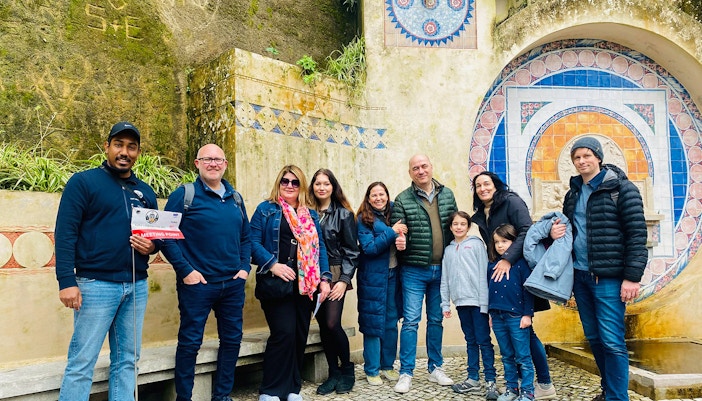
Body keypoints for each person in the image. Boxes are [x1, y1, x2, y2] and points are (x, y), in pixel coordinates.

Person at [54, 121, 158, 401]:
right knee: (82, 361)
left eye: (131, 147)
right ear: (107, 147)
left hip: (136, 286)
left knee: (127, 360)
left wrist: (151, 246)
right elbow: (65, 233)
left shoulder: (145, 192)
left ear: (137, 152)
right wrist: (66, 281)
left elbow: (155, 236)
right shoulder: (84, 182)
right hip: (94, 286)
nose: (125, 152)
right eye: (119, 145)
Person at [551, 137, 648, 401]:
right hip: (580, 277)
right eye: (577, 158)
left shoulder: (622, 190)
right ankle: (609, 391)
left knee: (612, 342)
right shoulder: (573, 194)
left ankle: (618, 397)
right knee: (594, 338)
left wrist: (631, 277)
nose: (582, 161)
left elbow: (637, 235)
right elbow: (570, 234)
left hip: (609, 279)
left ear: (598, 157)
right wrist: (554, 231)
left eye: (587, 156)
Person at [161, 144, 251, 401]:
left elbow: (245, 237)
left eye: (218, 159)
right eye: (207, 159)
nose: (213, 163)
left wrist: (244, 268)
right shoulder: (185, 195)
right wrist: (186, 271)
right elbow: (166, 237)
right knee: (190, 343)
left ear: (224, 164)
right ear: (197, 163)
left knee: (232, 340)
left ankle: (222, 396)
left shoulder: (235, 198)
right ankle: (184, 398)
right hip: (198, 286)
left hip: (232, 284)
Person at [471, 171, 557, 399]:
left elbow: (527, 230)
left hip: (519, 273)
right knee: (517, 340)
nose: (482, 188)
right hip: (501, 280)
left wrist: (508, 259)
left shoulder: (511, 201)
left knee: (527, 333)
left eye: (486, 183)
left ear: (496, 185)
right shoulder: (482, 213)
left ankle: (544, 384)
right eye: (478, 185)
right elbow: (492, 244)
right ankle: (518, 384)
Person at [250, 165, 332, 401]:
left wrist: (324, 279)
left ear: (301, 186)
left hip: (305, 286)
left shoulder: (310, 214)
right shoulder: (266, 210)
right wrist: (273, 264)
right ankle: (270, 390)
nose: (289, 185)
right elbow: (253, 242)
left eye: (295, 182)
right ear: (279, 183)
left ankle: (292, 389)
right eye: (285, 181)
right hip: (276, 284)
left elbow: (320, 249)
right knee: (283, 334)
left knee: (298, 335)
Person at [390, 154, 457, 393]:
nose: (421, 171)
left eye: (424, 166)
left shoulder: (447, 194)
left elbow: (456, 226)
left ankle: (435, 367)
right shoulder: (402, 199)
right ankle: (406, 372)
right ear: (410, 173)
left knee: (436, 320)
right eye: (415, 168)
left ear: (431, 167)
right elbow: (399, 229)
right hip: (414, 271)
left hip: (442, 271)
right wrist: (400, 239)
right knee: (410, 322)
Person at [308, 168, 361, 395]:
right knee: (323, 326)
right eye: (317, 183)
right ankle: (333, 372)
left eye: (326, 183)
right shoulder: (306, 212)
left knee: (332, 323)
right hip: (312, 274)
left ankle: (347, 369)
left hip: (336, 271)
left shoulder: (344, 214)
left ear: (333, 187)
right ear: (312, 187)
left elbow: (352, 250)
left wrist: (344, 280)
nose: (321, 187)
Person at [440, 211, 498, 400]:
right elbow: (445, 279)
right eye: (455, 224)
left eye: (462, 224)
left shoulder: (476, 245)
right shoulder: (448, 250)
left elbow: (483, 274)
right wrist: (445, 304)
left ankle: (491, 380)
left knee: (483, 340)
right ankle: (472, 378)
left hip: (477, 301)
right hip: (461, 302)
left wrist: (485, 304)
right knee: (470, 340)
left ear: (468, 226)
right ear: (450, 227)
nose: (458, 227)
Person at [356, 182, 407, 386]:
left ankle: (387, 366)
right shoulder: (363, 220)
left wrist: (403, 239)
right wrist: (392, 232)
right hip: (373, 278)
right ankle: (372, 369)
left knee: (391, 322)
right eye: (374, 195)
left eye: (382, 194)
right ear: (368, 198)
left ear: (387, 195)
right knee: (372, 323)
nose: (378, 198)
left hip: (394, 275)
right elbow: (369, 248)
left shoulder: (396, 212)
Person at [488, 224, 535, 401]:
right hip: (497, 316)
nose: (500, 245)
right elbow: (489, 290)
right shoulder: (492, 265)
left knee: (522, 356)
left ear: (514, 242)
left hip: (516, 316)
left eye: (504, 241)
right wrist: (490, 315)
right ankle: (511, 389)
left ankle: (528, 391)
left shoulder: (522, 264)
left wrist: (527, 314)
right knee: (507, 355)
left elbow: (528, 290)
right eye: (497, 242)